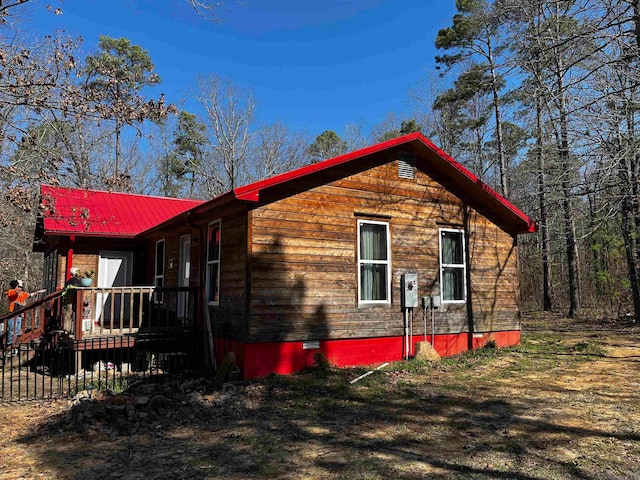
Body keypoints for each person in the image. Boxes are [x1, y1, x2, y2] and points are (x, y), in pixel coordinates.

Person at [4, 280, 30, 349]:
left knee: (17, 332)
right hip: (13, 314)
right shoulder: (11, 291)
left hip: (19, 315)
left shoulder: (21, 293)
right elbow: (17, 291)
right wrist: (20, 284)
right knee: (12, 331)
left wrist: (38, 292)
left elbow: (29, 295)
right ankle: (9, 347)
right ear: (16, 286)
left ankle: (13, 347)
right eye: (18, 285)